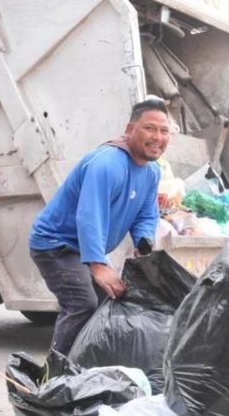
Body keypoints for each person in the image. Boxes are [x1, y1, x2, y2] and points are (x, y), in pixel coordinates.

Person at [28, 97, 169, 355]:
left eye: (164, 130)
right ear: (129, 130)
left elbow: (146, 215)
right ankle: (55, 373)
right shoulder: (107, 164)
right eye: (149, 128)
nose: (157, 136)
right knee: (82, 304)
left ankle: (89, 369)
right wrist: (98, 264)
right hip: (56, 244)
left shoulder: (151, 172)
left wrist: (144, 244)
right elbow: (88, 215)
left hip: (84, 248)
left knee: (111, 304)